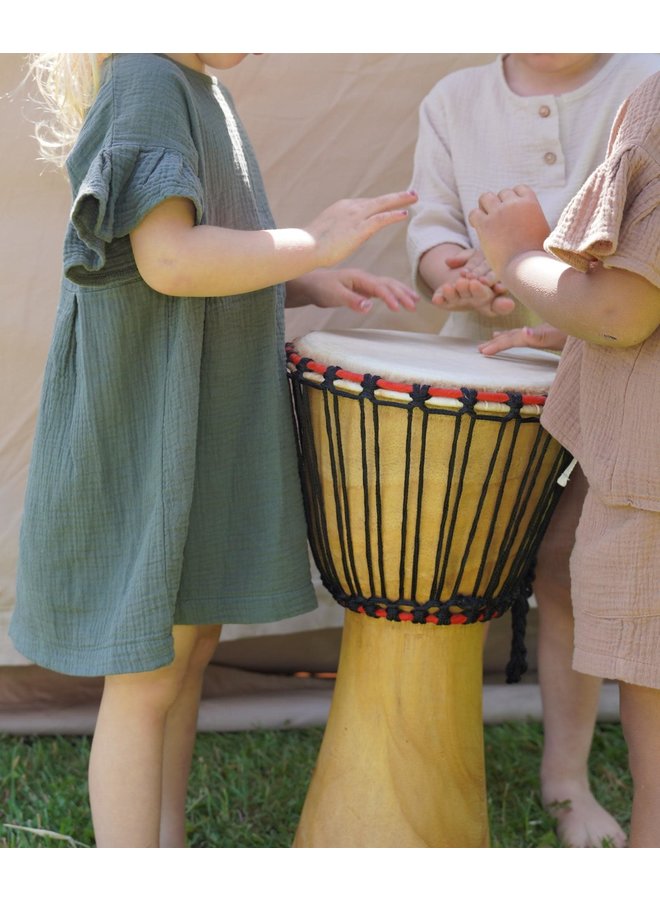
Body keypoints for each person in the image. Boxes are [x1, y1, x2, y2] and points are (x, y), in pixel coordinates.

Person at [9, 52, 419, 848]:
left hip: (193, 423)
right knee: (148, 676)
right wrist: (313, 241)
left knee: (186, 658)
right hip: (148, 425)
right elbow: (167, 263)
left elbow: (197, 249)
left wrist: (305, 279)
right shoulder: (147, 78)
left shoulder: (202, 88)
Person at [406, 53, 659, 847]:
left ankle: (566, 778)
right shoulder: (454, 100)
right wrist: (450, 269)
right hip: (483, 374)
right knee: (444, 570)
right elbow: (432, 221)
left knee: (571, 571)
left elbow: (621, 280)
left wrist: (523, 258)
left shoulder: (641, 78)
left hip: (613, 381)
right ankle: (429, 764)